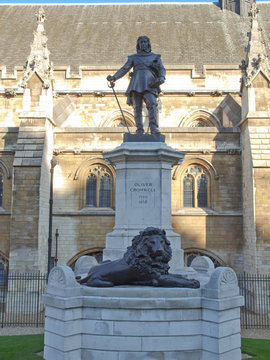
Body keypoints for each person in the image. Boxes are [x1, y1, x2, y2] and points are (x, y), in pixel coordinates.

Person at [107, 36, 166, 134]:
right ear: (138, 44)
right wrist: (114, 77)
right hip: (136, 83)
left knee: (152, 104)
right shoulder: (133, 58)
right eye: (141, 42)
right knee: (137, 107)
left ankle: (153, 128)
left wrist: (162, 77)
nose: (143, 44)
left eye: (145, 42)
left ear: (148, 44)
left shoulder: (155, 57)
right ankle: (139, 128)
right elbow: (124, 69)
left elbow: (161, 69)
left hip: (150, 83)